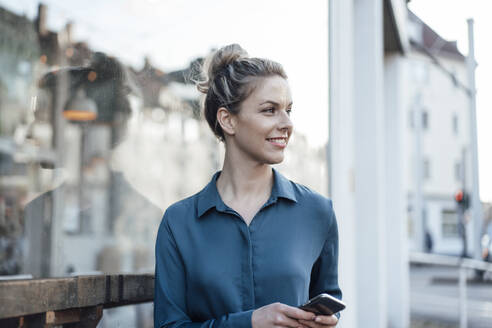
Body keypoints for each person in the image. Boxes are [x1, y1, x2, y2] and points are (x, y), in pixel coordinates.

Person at [154, 44, 342, 328]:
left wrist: (325, 320)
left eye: (288, 110)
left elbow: (330, 301)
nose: (287, 123)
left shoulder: (318, 212)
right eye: (270, 110)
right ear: (227, 120)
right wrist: (249, 323)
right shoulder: (179, 222)